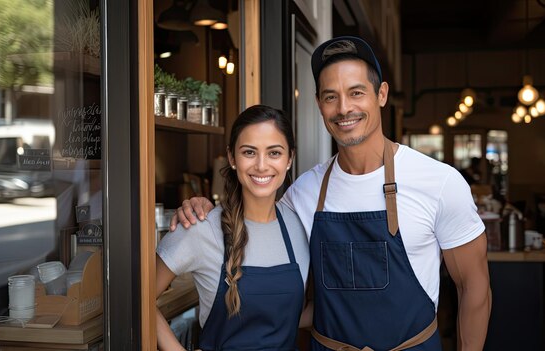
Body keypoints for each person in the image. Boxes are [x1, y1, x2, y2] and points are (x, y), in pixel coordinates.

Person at [171, 36, 491, 350]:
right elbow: (252, 235)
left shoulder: (439, 182)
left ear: (381, 94)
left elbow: (474, 288)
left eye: (356, 92)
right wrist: (205, 213)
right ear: (319, 104)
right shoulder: (302, 194)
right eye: (330, 96)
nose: (344, 108)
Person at [156, 105, 310, 350]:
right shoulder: (200, 228)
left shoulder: (298, 225)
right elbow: (140, 295)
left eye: (274, 153)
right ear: (232, 157)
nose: (261, 165)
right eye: (249, 152)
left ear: (289, 159)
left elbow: (290, 316)